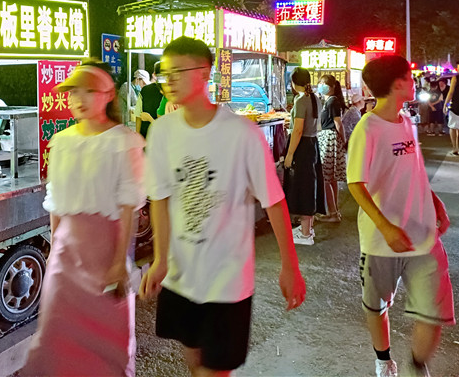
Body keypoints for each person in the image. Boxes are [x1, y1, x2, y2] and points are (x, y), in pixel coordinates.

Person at [140, 37, 305, 377]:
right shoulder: (162, 132)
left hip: (227, 280)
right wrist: (159, 260)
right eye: (165, 73)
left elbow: (274, 201)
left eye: (178, 71)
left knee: (215, 370)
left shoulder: (241, 133)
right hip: (181, 276)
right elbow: (160, 198)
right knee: (194, 360)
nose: (169, 80)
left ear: (204, 73)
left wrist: (290, 266)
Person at [21, 59, 145, 377]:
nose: (79, 98)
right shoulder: (62, 142)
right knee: (57, 340)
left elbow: (128, 208)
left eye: (89, 91)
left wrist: (119, 262)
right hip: (66, 259)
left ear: (108, 95)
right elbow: (56, 205)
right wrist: (53, 254)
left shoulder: (124, 142)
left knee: (108, 345)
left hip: (105, 255)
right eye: (74, 92)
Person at [347, 55, 454, 377]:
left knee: (432, 311)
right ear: (397, 84)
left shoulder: (406, 120)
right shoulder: (368, 128)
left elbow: (413, 169)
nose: (413, 83)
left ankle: (417, 367)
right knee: (376, 305)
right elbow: (355, 184)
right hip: (381, 241)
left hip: (423, 234)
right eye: (409, 77)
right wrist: (386, 227)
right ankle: (383, 360)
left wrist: (434, 201)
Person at [283, 67, 326, 245]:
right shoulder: (315, 98)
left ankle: (305, 233)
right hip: (312, 144)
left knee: (303, 186)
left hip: (302, 146)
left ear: (294, 82)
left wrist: (289, 154)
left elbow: (298, 130)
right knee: (311, 184)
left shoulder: (301, 100)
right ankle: (308, 228)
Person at [316, 74, 347, 223]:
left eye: (324, 84)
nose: (321, 86)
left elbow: (338, 123)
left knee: (325, 177)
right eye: (320, 83)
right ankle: (334, 211)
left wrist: (343, 140)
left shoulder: (332, 101)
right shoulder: (328, 101)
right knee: (331, 177)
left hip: (329, 139)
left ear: (332, 87)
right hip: (328, 138)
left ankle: (333, 213)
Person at [135, 61, 164, 138]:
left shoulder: (145, 90)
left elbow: (138, 115)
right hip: (157, 137)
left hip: (148, 135)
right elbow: (138, 115)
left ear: (154, 75)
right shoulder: (171, 92)